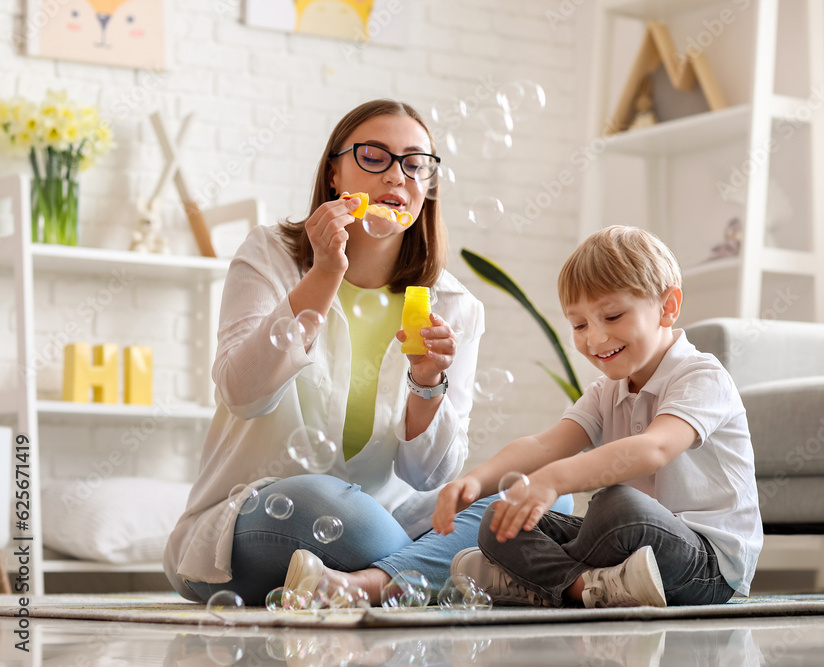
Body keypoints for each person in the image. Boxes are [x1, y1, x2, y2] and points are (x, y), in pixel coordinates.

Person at [164, 99, 572, 606]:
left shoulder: (453, 304)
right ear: (334, 173)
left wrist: (426, 382)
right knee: (337, 507)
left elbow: (431, 476)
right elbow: (243, 393)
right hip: (259, 522)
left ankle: (373, 584)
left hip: (388, 519)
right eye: (374, 157)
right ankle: (444, 572)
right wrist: (324, 273)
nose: (396, 176)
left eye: (414, 163)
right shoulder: (269, 255)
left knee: (541, 492)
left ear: (429, 185)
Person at [434, 225, 763, 608]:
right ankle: (587, 587)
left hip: (708, 566)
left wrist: (554, 480)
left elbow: (654, 448)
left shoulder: (701, 376)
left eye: (612, 316)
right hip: (628, 552)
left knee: (617, 505)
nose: (595, 339)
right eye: (579, 325)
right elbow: (546, 445)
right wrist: (474, 481)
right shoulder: (606, 391)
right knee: (499, 518)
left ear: (667, 307)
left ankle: (534, 579)